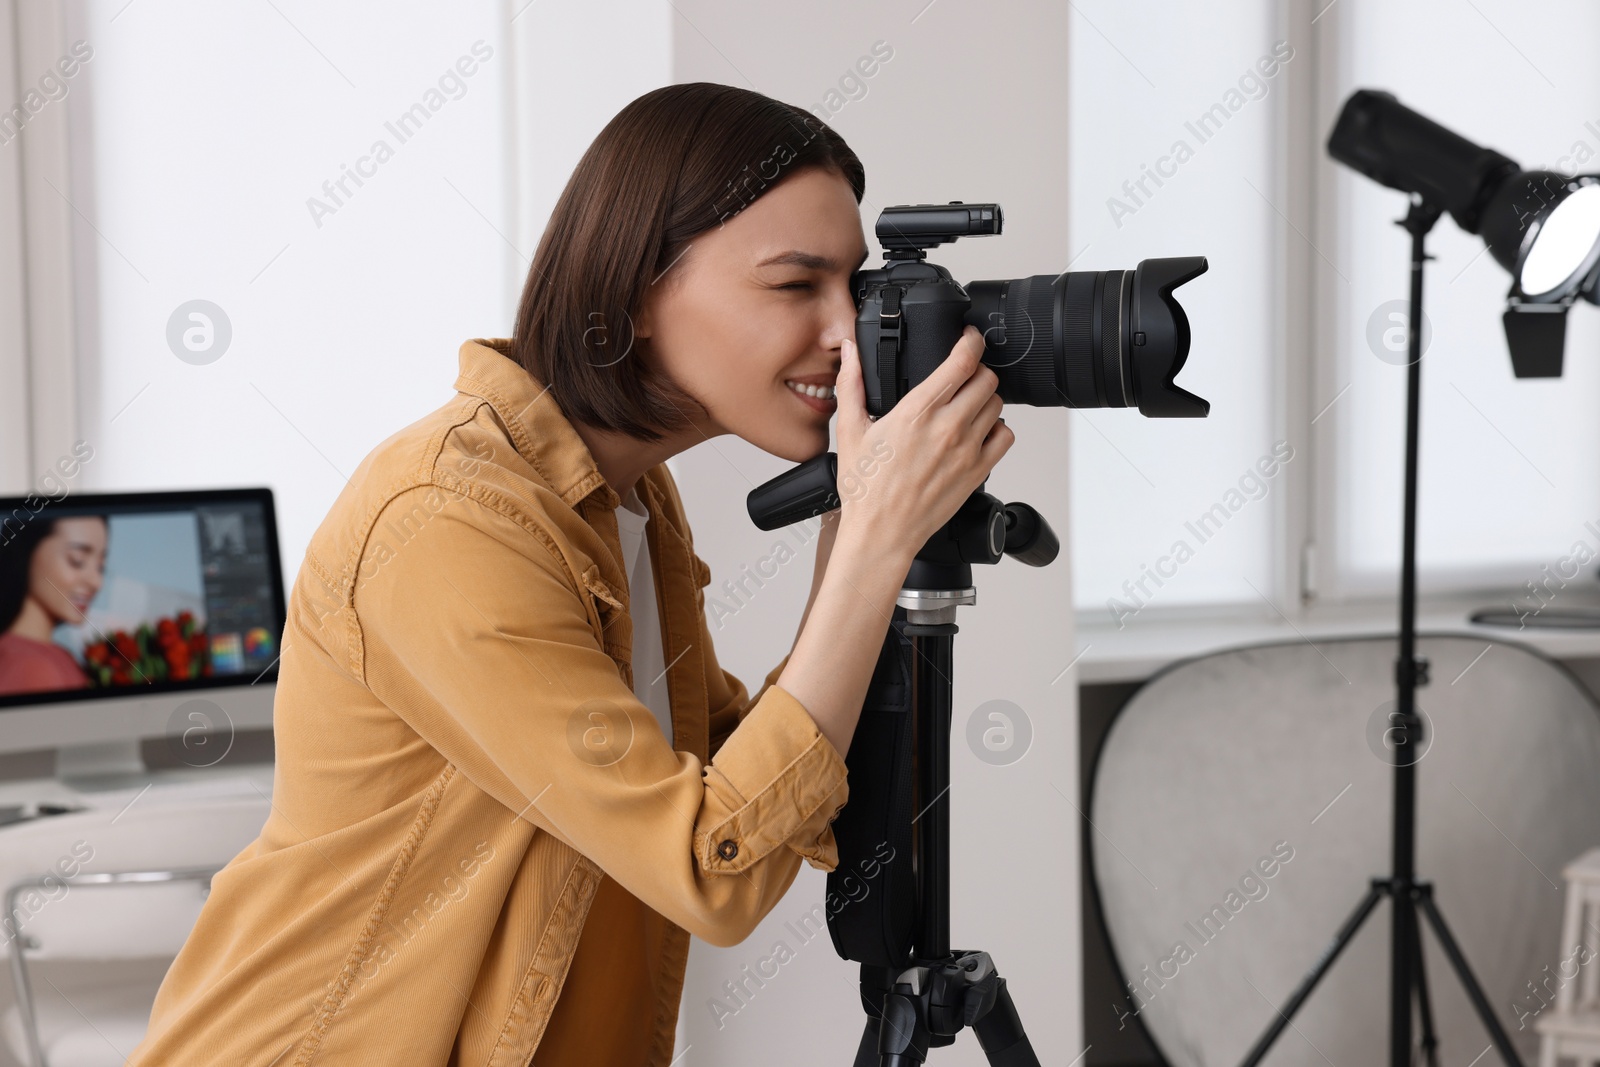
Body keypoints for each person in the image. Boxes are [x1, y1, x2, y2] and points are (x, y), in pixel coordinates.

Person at [127, 82, 1011, 1066]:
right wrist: (874, 544)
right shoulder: (448, 522)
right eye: (795, 285)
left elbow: (735, 771)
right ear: (634, 293)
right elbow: (709, 862)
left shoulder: (630, 498)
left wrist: (860, 532)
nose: (848, 331)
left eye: (854, 287)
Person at [0, 515, 106, 695]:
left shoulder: (58, 657)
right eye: (77, 560)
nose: (96, 582)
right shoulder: (31, 667)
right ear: (28, 549)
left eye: (101, 567)